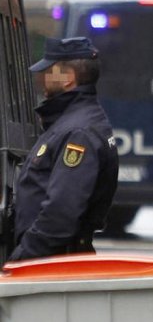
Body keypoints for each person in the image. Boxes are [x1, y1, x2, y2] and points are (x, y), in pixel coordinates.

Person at [9, 37, 119, 261]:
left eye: (49, 72)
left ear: (68, 78)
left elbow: (60, 214)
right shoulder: (73, 122)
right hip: (53, 260)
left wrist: (21, 259)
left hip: (51, 264)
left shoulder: (77, 132)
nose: (42, 79)